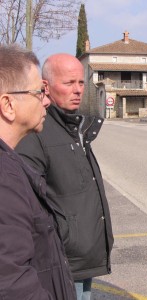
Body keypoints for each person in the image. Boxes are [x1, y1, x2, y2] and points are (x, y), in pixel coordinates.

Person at [16, 53, 114, 300]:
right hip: (61, 260)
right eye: (69, 83)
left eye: (81, 83)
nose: (78, 90)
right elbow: (27, 204)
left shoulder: (75, 126)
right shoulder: (36, 129)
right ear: (45, 86)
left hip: (82, 256)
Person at [0, 44, 76, 299]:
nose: (46, 99)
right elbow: (11, 283)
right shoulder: (4, 180)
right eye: (38, 92)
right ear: (8, 105)